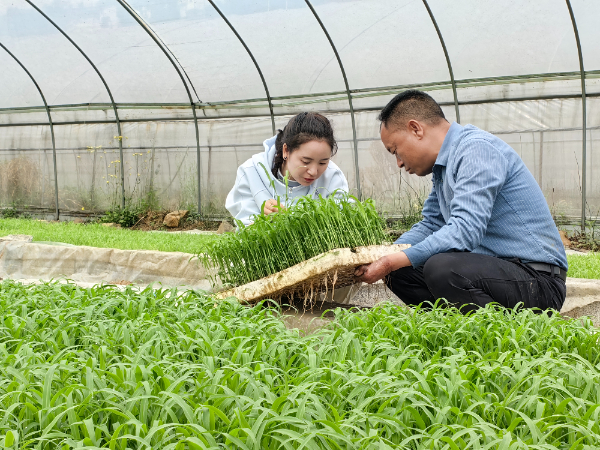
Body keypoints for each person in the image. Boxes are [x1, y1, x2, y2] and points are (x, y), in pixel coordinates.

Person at [355, 90, 568, 313]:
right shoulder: (443, 167)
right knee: (400, 272)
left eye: (395, 150)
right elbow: (431, 225)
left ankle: (497, 329)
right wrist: (384, 256)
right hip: (495, 273)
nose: (398, 162)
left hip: (537, 281)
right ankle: (455, 326)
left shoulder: (477, 150)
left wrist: (392, 260)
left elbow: (465, 230)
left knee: (442, 268)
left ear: (416, 129)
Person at [226, 112, 349, 225]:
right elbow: (245, 226)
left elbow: (342, 222)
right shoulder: (251, 171)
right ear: (286, 150)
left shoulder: (332, 176)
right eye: (306, 161)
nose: (313, 172)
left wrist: (290, 218)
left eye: (323, 163)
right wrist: (263, 222)